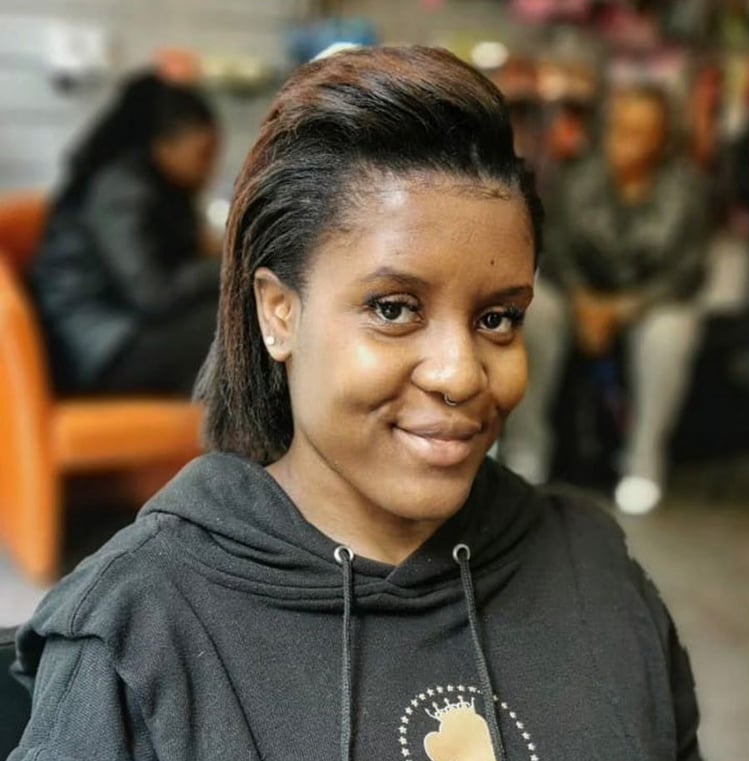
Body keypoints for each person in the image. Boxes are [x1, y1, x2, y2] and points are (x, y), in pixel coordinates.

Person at [10, 47, 701, 761]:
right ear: (279, 314)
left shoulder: (599, 571)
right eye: (394, 308)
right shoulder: (140, 626)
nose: (461, 375)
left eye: (498, 318)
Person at [499, 83, 710, 515]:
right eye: (620, 128)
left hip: (650, 302)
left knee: (672, 332)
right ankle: (526, 447)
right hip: (578, 293)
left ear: (661, 139)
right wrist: (583, 300)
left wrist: (623, 308)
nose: (625, 141)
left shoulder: (687, 190)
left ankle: (643, 462)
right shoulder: (577, 177)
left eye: (640, 132)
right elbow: (555, 248)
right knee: (534, 312)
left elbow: (687, 270)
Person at [29, 71, 221, 396]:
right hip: (98, 350)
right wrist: (223, 267)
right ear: (164, 145)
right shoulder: (119, 191)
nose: (209, 167)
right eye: (203, 153)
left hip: (121, 330)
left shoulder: (154, 187)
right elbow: (152, 294)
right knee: (227, 326)